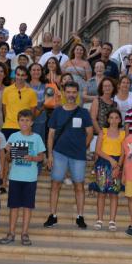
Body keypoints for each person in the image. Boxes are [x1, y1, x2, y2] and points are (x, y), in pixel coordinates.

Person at [44, 82, 94, 229]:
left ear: (77, 93)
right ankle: (52, 215)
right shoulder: (57, 111)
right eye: (69, 92)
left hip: (78, 156)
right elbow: (51, 134)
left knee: (79, 185)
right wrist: (50, 155)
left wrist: (82, 147)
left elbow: (90, 133)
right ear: (64, 93)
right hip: (59, 154)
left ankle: (80, 216)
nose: (71, 95)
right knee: (55, 184)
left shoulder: (83, 112)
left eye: (74, 92)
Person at [0, 110, 46, 246]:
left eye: (27, 120)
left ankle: (24, 233)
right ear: (18, 122)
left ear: (32, 122)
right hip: (15, 177)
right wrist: (10, 153)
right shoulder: (13, 136)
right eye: (22, 120)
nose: (24, 123)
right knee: (13, 207)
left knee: (27, 207)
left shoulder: (36, 138)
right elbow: (7, 158)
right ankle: (11, 233)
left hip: (30, 178)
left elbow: (41, 156)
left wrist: (32, 158)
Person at [89, 109, 125, 232]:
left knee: (114, 194)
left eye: (116, 117)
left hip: (116, 166)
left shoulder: (123, 134)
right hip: (103, 163)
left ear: (120, 120)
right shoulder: (102, 133)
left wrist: (118, 166)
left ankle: (112, 221)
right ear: (108, 119)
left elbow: (123, 153)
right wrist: (111, 160)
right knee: (101, 193)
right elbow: (98, 150)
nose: (114, 120)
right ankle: (99, 219)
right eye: (111, 117)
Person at [1, 65, 37, 139]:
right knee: (7, 150)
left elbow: (32, 112)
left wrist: (27, 125)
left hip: (24, 127)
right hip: (8, 126)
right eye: (18, 74)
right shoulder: (7, 90)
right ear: (15, 75)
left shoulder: (32, 92)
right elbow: (4, 109)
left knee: (21, 151)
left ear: (26, 77)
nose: (20, 77)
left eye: (22, 75)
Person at [28, 62, 47, 143]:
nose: (36, 72)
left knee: (38, 142)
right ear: (30, 72)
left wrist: (39, 110)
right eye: (34, 70)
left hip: (40, 117)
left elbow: (49, 100)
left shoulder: (46, 85)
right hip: (26, 117)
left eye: (38, 70)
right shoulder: (25, 85)